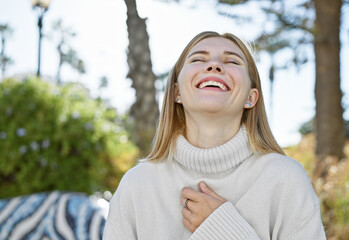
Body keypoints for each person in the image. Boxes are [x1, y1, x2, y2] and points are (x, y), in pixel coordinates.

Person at [103, 31, 326, 239]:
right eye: (198, 59)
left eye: (232, 61)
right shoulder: (137, 185)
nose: (214, 65)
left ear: (251, 97)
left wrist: (225, 230)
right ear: (177, 92)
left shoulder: (286, 180)